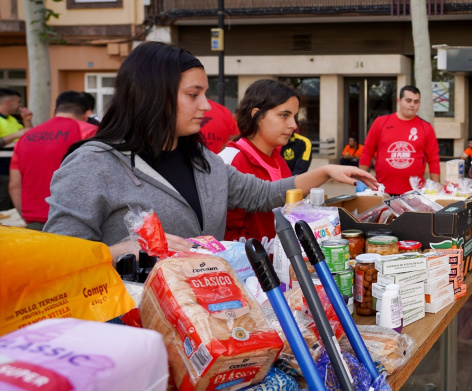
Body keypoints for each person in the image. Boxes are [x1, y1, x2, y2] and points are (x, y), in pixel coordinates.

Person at [44, 42, 377, 263]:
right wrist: (125, 249)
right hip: (130, 330)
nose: (206, 106)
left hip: (203, 317)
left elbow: (263, 194)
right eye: (194, 94)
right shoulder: (93, 164)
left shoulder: (204, 161)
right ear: (152, 95)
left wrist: (326, 172)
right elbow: (57, 259)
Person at [219, 79, 296, 242]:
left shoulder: (279, 160)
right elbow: (223, 232)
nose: (293, 125)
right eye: (284, 115)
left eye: (294, 116)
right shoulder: (230, 159)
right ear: (257, 115)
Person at [9, 91, 98, 230]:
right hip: (75, 222)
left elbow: (14, 186)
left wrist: (28, 218)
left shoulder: (26, 137)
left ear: (54, 110)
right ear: (86, 114)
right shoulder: (89, 132)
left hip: (34, 223)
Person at [359, 85, 440, 195]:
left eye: (416, 102)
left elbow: (433, 159)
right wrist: (361, 179)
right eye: (408, 100)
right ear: (399, 101)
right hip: (382, 191)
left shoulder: (426, 127)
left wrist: (436, 188)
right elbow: (367, 151)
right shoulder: (381, 122)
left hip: (415, 193)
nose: (412, 104)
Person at [0, 88, 33, 210]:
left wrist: (27, 120)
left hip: (13, 171)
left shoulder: (12, 119)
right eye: (18, 102)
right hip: (2, 171)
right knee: (3, 203)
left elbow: (29, 136)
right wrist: (15, 135)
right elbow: (19, 134)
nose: (20, 105)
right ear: (8, 102)